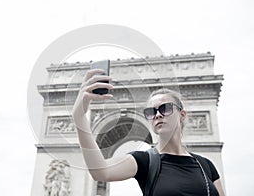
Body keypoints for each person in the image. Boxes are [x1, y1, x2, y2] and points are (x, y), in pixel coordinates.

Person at [72, 69, 225, 196]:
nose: (158, 114)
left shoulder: (206, 165)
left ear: (182, 115)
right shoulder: (144, 161)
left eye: (165, 108)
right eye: (151, 112)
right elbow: (101, 172)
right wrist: (79, 116)